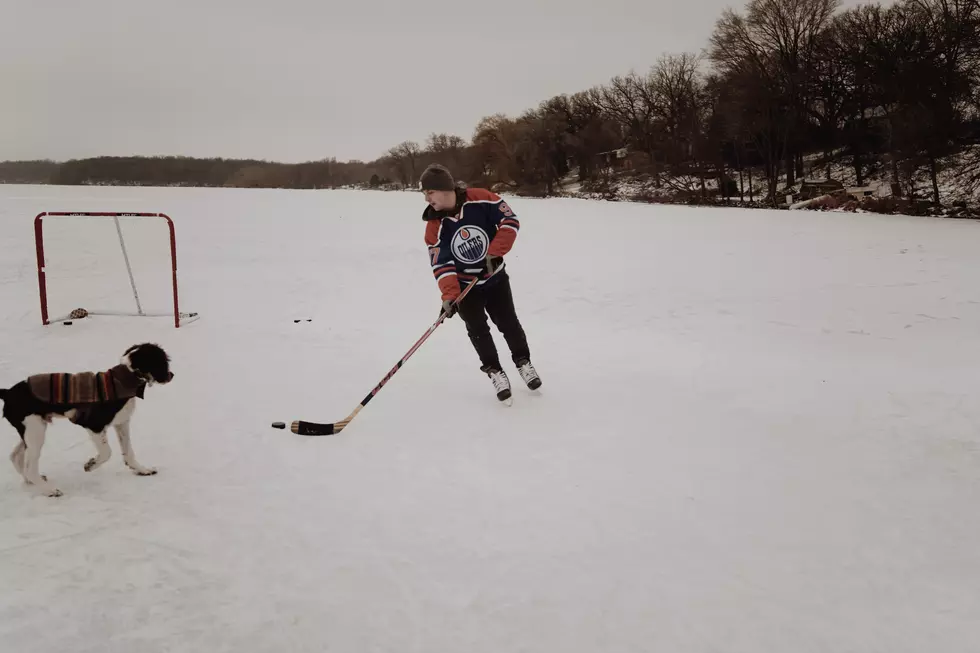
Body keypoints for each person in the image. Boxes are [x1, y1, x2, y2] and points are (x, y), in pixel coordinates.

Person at [419, 163, 541, 402]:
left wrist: (495, 253)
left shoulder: (482, 199)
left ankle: (523, 362)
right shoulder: (434, 227)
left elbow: (509, 220)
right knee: (478, 331)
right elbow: (441, 264)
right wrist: (450, 296)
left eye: (429, 192)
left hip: (495, 279)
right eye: (424, 194)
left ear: (444, 189)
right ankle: (495, 371)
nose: (426, 198)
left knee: (508, 323)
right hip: (466, 288)